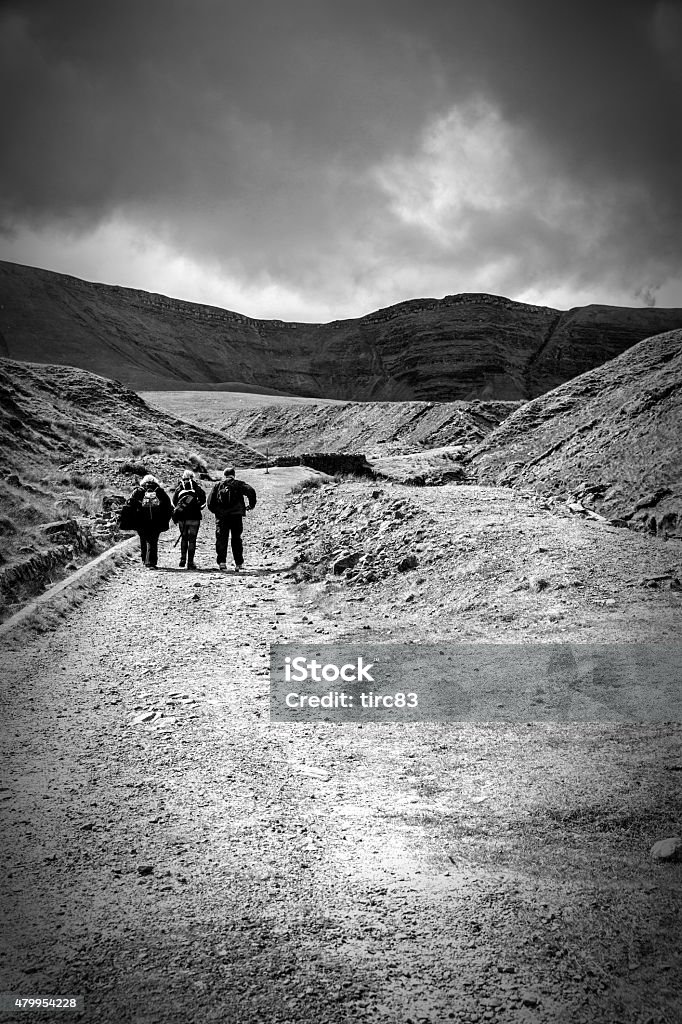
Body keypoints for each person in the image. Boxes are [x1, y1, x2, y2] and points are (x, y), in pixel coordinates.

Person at [207, 466, 257, 572]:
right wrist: (251, 505)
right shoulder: (239, 484)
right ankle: (238, 563)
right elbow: (251, 491)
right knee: (236, 539)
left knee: (221, 539)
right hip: (236, 516)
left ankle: (222, 563)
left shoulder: (218, 485)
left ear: (224, 475)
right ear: (234, 475)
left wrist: (218, 512)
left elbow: (210, 503)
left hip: (222, 517)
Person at [127, 474, 173, 569]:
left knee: (143, 539)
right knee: (153, 540)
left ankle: (144, 560)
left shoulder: (138, 491)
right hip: (156, 521)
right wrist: (165, 520)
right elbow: (168, 507)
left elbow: (129, 504)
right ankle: (151, 562)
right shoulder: (160, 492)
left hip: (141, 521)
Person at [172, 469, 207, 570]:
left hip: (182, 517)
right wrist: (198, 507)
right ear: (193, 477)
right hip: (194, 517)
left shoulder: (179, 488)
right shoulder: (196, 487)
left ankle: (183, 559)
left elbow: (174, 502)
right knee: (192, 539)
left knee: (184, 537)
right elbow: (203, 501)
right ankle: (190, 563)